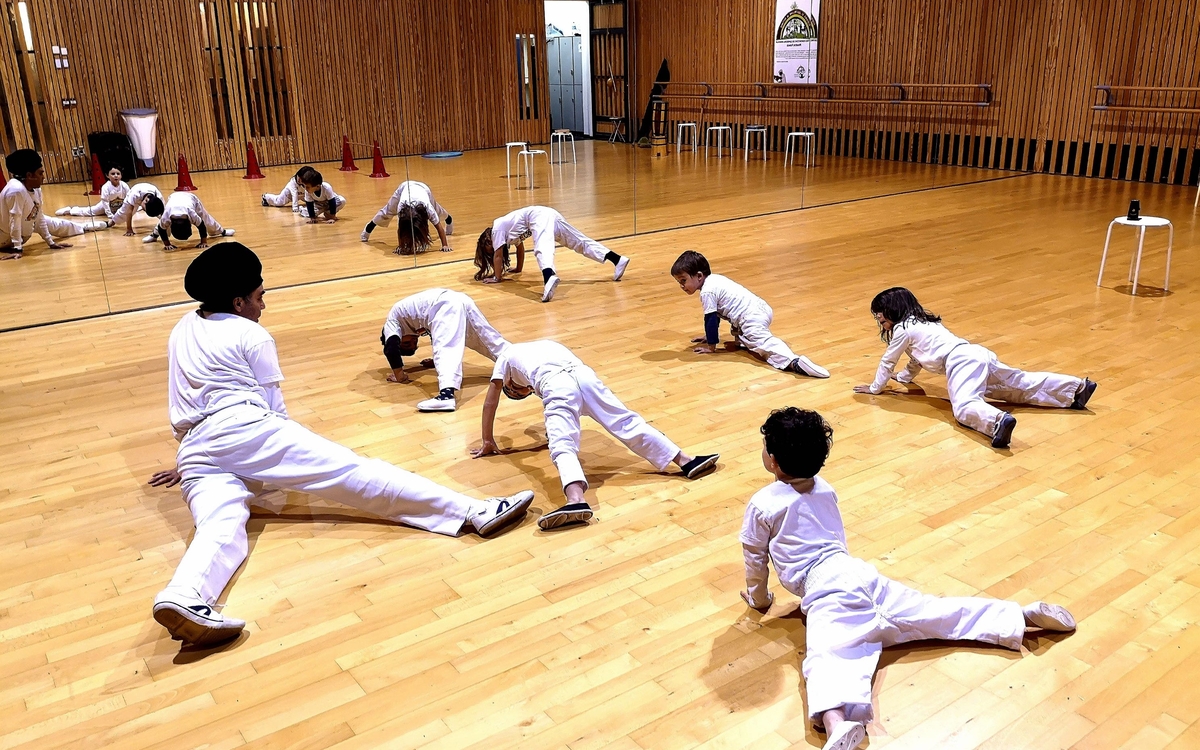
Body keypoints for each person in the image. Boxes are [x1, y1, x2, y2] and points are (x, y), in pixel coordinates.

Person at [147, 243, 534, 647]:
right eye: (259, 297)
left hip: (193, 448)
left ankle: (184, 595)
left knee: (219, 524)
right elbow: (274, 412)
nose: (264, 305)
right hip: (246, 430)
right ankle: (474, 511)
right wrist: (290, 460)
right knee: (351, 472)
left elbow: (183, 399)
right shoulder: (251, 334)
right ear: (238, 301)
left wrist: (191, 458)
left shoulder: (183, 327)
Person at [740, 407, 1077, 750]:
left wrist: (759, 599)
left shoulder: (763, 504)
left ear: (774, 462)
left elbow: (755, 557)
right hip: (861, 575)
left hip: (826, 590)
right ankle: (1021, 615)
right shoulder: (824, 488)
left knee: (826, 656)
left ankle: (836, 723)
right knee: (935, 611)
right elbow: (836, 537)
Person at [471, 340, 718, 530]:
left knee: (562, 445)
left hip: (556, 384)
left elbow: (490, 402)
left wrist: (488, 440)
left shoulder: (504, 359)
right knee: (627, 422)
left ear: (509, 384)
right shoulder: (544, 344)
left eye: (518, 390)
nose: (524, 389)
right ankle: (686, 461)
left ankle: (575, 500)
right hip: (585, 376)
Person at [852, 287, 1097, 449]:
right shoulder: (924, 323)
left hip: (961, 361)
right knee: (1018, 384)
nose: (879, 320)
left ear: (893, 310)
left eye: (880, 315)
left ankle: (996, 421)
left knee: (963, 407)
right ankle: (1075, 389)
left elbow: (888, 360)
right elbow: (916, 359)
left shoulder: (902, 330)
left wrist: (875, 388)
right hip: (976, 353)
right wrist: (905, 377)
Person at [670, 250, 829, 378]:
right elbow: (716, 314)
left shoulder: (707, 292)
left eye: (683, 280)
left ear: (699, 276)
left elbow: (710, 318)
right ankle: (775, 355)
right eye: (679, 282)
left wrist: (711, 347)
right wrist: (709, 336)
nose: (681, 286)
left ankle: (795, 362)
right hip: (760, 308)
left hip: (751, 317)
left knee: (763, 343)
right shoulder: (715, 280)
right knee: (747, 341)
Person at [382, 288, 509, 412]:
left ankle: (446, 396)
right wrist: (435, 361)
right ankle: (515, 363)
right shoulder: (408, 320)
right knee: (490, 341)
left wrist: (399, 375)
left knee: (448, 347)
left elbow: (391, 348)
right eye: (413, 344)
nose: (414, 341)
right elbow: (438, 335)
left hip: (444, 304)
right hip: (459, 299)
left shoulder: (392, 322)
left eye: (407, 343)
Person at [474, 206, 630, 302]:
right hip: (549, 214)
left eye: (490, 250)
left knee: (542, 245)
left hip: (540, 216)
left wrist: (497, 278)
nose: (493, 251)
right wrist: (518, 268)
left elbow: (498, 256)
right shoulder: (509, 233)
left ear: (487, 241)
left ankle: (548, 276)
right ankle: (617, 260)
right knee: (579, 242)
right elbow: (520, 248)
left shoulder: (497, 229)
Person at [2, 149, 75, 260]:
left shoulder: (36, 189)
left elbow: (39, 216)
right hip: (4, 238)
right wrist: (17, 248)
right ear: (29, 175)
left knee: (60, 225)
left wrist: (51, 242)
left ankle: (93, 226)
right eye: (40, 173)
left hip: (23, 229)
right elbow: (14, 220)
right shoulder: (16, 190)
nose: (43, 177)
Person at [361, 179, 453, 255]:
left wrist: (445, 245)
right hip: (404, 188)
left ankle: (449, 219)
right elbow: (400, 230)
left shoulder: (428, 208)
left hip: (424, 189)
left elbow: (439, 227)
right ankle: (370, 226)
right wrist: (401, 246)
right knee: (387, 212)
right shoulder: (401, 208)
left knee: (437, 210)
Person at [153, 191, 235, 251]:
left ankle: (222, 231)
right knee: (162, 224)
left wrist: (203, 242)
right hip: (173, 197)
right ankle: (154, 235)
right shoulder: (166, 215)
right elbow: (161, 228)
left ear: (189, 223)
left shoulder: (191, 213)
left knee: (205, 218)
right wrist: (167, 244)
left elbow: (201, 226)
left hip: (191, 198)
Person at [56, 166, 128, 218]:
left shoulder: (124, 185)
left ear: (121, 176)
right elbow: (105, 202)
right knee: (89, 212)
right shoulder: (106, 187)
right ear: (107, 175)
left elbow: (129, 198)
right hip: (104, 206)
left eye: (118, 174)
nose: (116, 176)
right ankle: (70, 210)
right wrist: (110, 215)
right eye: (113, 174)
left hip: (117, 207)